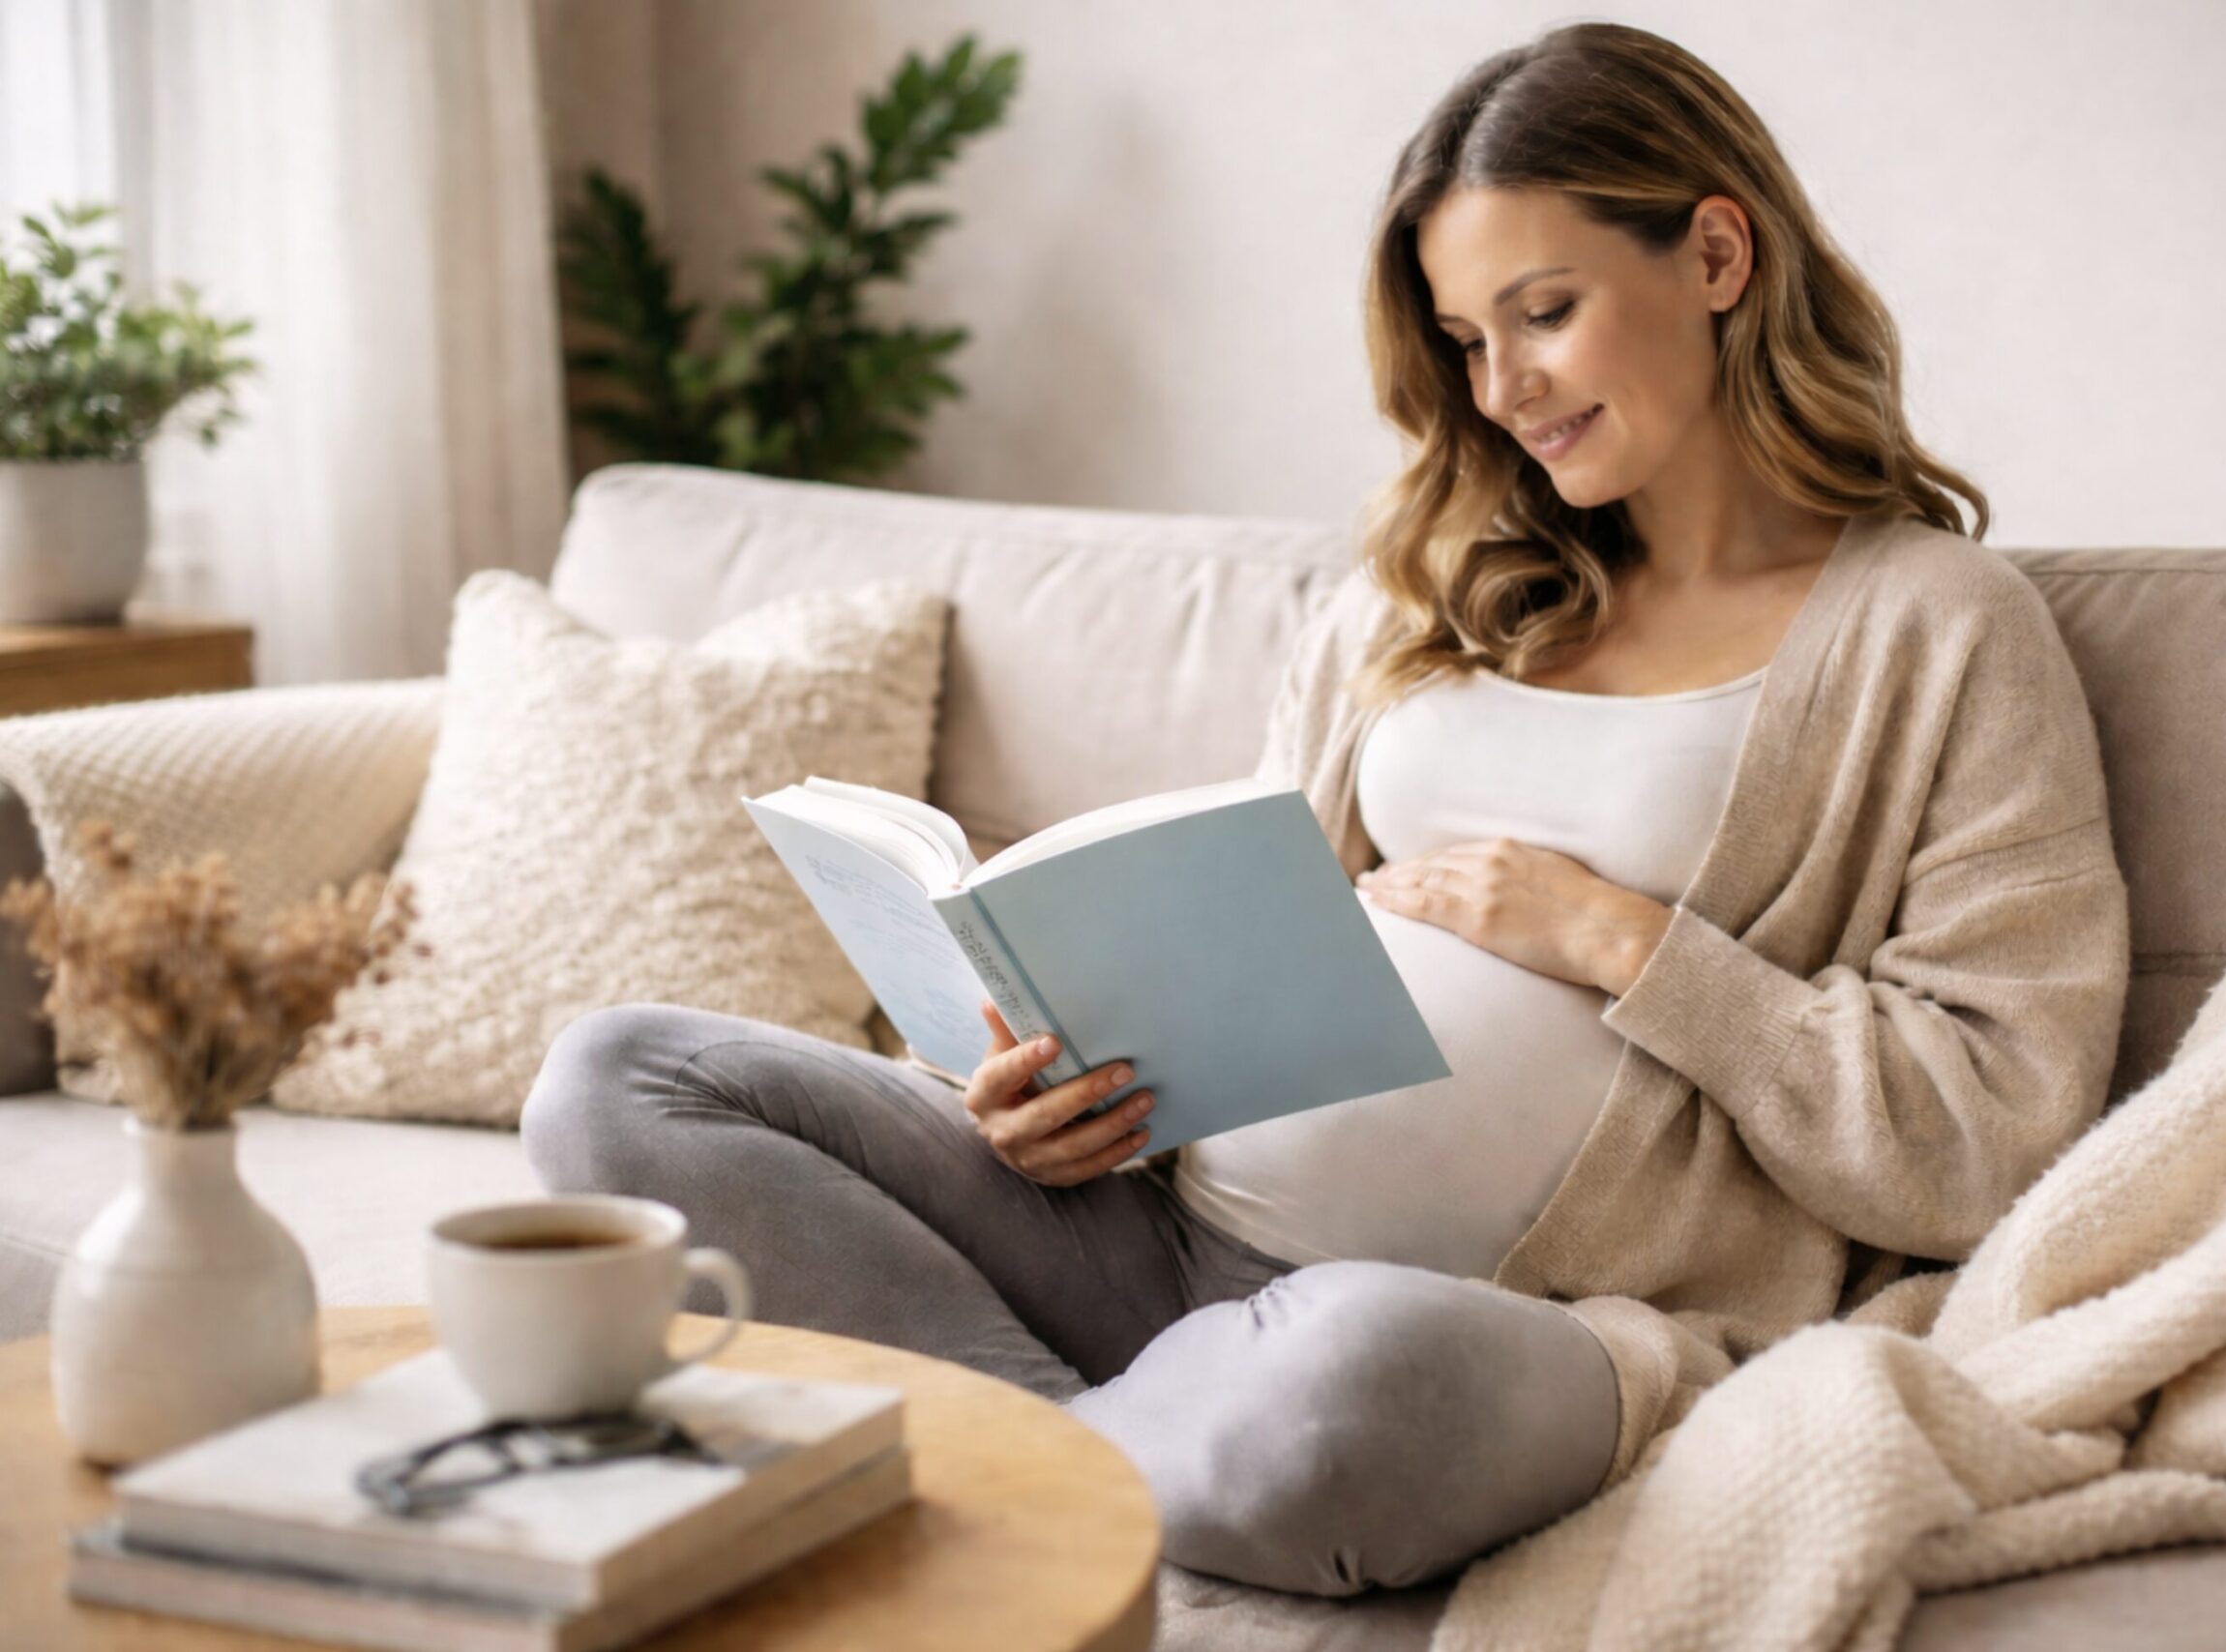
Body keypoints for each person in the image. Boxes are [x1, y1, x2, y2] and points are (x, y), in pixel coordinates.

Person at [520, 21, 2129, 1601]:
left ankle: (1018, 1452)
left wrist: (1617, 936)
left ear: (1716, 255)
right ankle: (1109, 1454)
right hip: (1148, 1238)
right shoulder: (1415, 589)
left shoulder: (1936, 628)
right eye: (1465, 341)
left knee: (1342, 1396)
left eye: (1543, 313)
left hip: (1480, 1321)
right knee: (615, 1087)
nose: (1501, 389)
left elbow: (1995, 1136)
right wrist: (1036, 1094)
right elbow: (1253, 917)